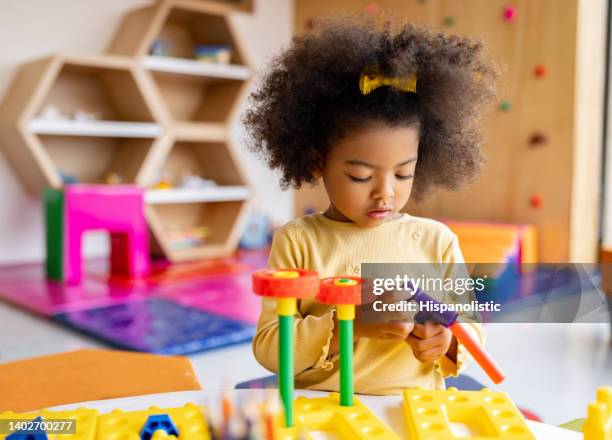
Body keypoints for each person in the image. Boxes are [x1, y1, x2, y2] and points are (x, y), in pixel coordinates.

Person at [243, 15, 497, 394]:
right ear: (316, 162)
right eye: (361, 177)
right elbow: (269, 348)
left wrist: (447, 343)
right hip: (324, 412)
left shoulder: (436, 241)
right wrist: (350, 324)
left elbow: (469, 327)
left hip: (414, 412)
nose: (385, 193)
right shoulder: (298, 242)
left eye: (403, 174)